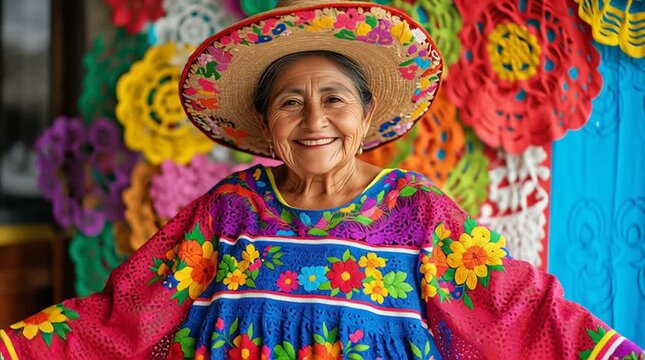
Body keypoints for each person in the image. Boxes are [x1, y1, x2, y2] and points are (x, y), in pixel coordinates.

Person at [1, 0, 643, 359]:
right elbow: (122, 319)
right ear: (264, 121)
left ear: (367, 114)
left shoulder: (417, 215)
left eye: (335, 99)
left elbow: (518, 311)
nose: (315, 121)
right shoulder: (228, 214)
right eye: (290, 102)